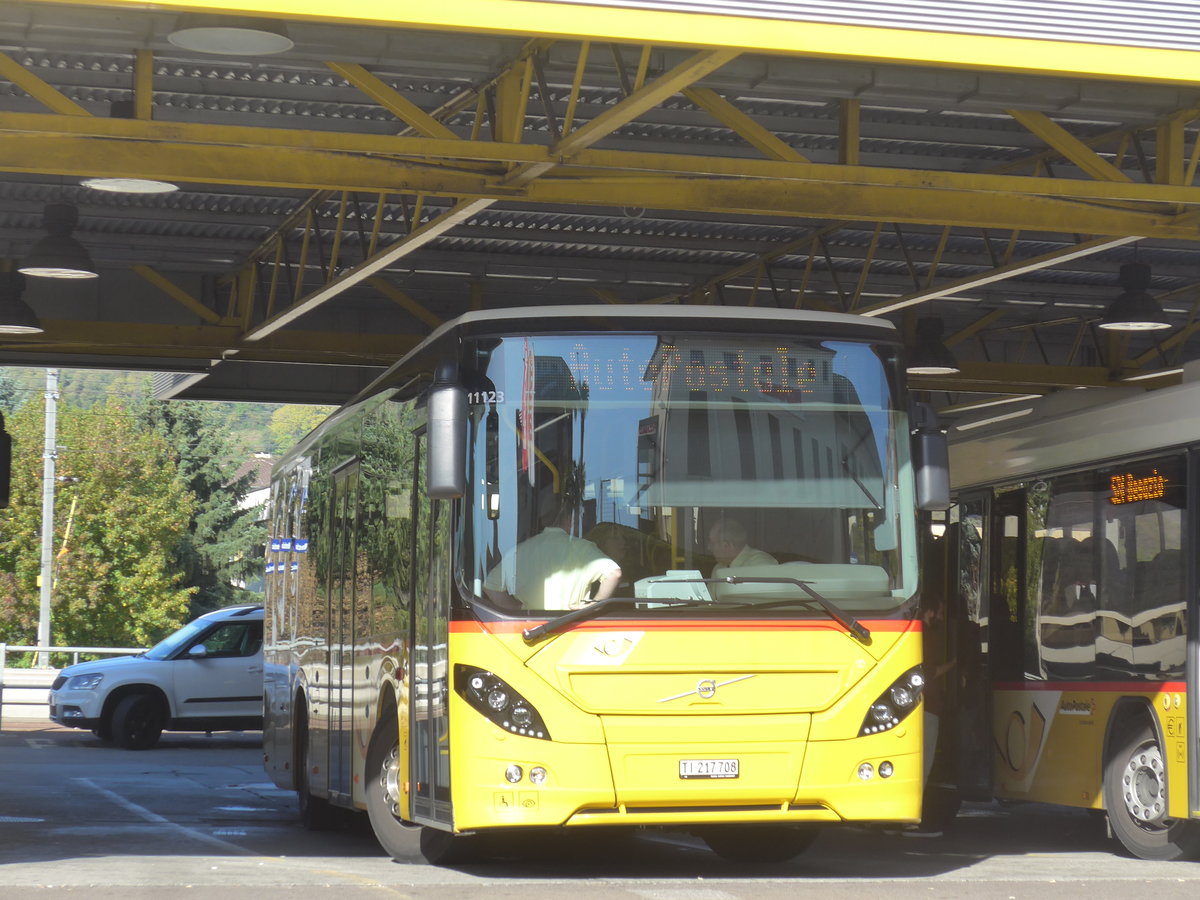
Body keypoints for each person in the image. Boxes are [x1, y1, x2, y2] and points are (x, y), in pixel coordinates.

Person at [484, 503, 622, 611]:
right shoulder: (583, 548)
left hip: (530, 630)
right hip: (572, 628)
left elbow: (490, 587)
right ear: (569, 519)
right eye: (578, 518)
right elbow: (614, 573)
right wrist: (595, 605)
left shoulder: (518, 551)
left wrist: (516, 609)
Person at [707, 518, 778, 571]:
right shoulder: (719, 568)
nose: (708, 548)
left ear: (727, 545)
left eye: (712, 544)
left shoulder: (761, 564)